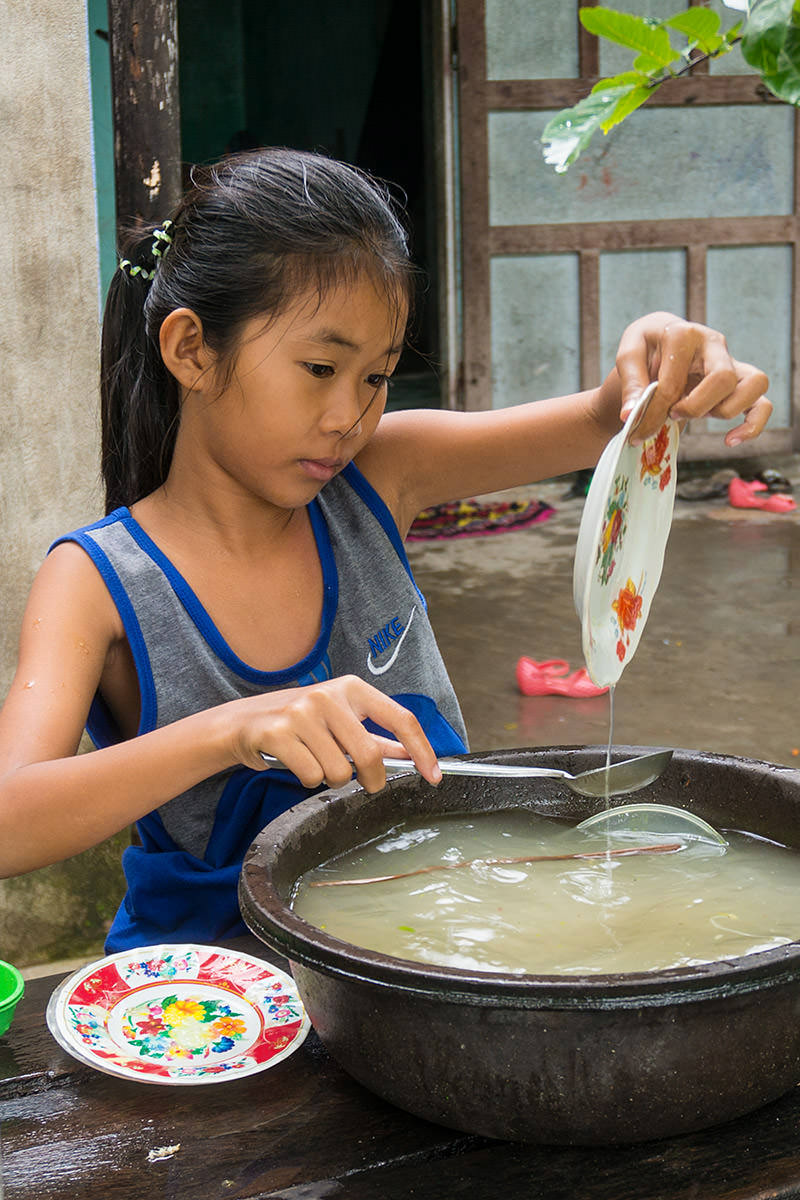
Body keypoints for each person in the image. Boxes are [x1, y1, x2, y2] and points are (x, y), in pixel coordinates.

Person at [0, 149, 771, 951]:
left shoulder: (381, 475)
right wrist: (233, 730)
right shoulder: (97, 579)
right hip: (221, 1012)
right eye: (321, 367)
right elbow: (8, 822)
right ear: (192, 349)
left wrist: (658, 364)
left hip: (427, 958)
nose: (349, 416)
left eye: (376, 377)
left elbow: (610, 418)